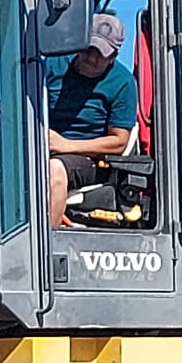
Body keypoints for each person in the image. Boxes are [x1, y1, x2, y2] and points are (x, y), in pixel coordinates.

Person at [47, 12, 138, 226]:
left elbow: (118, 142)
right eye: (89, 48)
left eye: (101, 53)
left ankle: (44, 248)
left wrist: (67, 145)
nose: (92, 58)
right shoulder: (52, 65)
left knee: (53, 170)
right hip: (39, 148)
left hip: (88, 160)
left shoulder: (122, 83)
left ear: (113, 57)